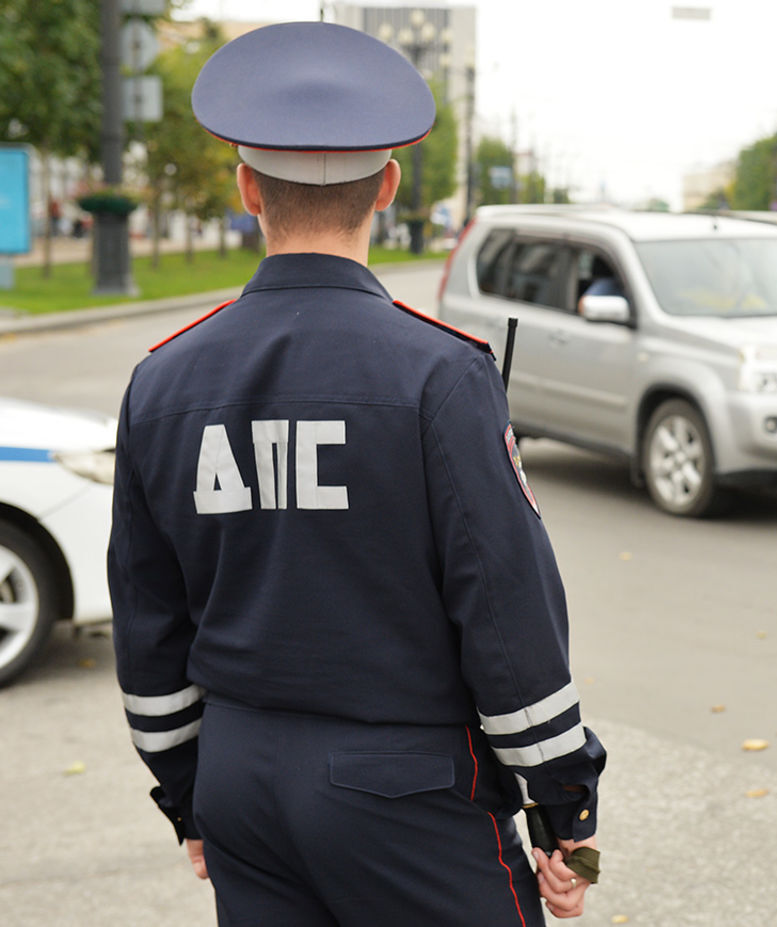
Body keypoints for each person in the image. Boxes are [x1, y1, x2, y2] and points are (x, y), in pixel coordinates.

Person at [107, 22, 604, 926]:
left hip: (241, 782)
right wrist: (562, 806)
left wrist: (191, 794)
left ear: (247, 188)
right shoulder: (441, 373)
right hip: (409, 794)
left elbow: (147, 625)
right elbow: (505, 612)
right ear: (388, 185)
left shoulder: (163, 380)